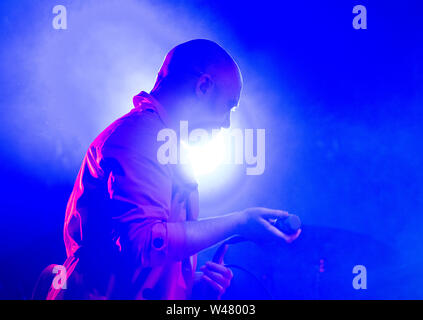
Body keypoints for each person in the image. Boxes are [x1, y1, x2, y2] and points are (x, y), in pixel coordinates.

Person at [44, 39, 300, 300]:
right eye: (228, 107)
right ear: (203, 87)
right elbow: (144, 242)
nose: (226, 123)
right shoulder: (140, 135)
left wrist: (184, 282)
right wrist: (240, 222)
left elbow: (137, 256)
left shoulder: (157, 138)